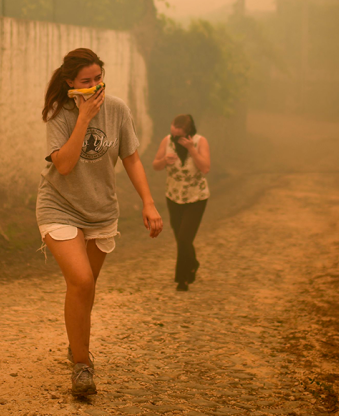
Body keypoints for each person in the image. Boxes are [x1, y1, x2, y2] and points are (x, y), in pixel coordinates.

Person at [37, 48, 164, 397]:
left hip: (101, 211)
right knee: (80, 281)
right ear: (70, 84)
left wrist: (149, 203)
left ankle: (76, 344)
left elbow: (132, 159)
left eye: (98, 79)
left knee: (87, 288)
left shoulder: (118, 109)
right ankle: (82, 366)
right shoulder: (59, 114)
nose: (94, 87)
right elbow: (63, 165)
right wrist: (83, 119)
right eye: (85, 82)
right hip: (59, 205)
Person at [151, 114, 210, 292]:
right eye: (173, 134)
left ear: (188, 132)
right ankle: (192, 263)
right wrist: (163, 161)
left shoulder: (200, 142)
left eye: (179, 135)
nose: (175, 138)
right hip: (173, 196)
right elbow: (155, 165)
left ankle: (182, 279)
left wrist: (191, 149)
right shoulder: (166, 141)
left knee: (185, 238)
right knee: (181, 239)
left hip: (196, 197)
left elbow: (205, 168)